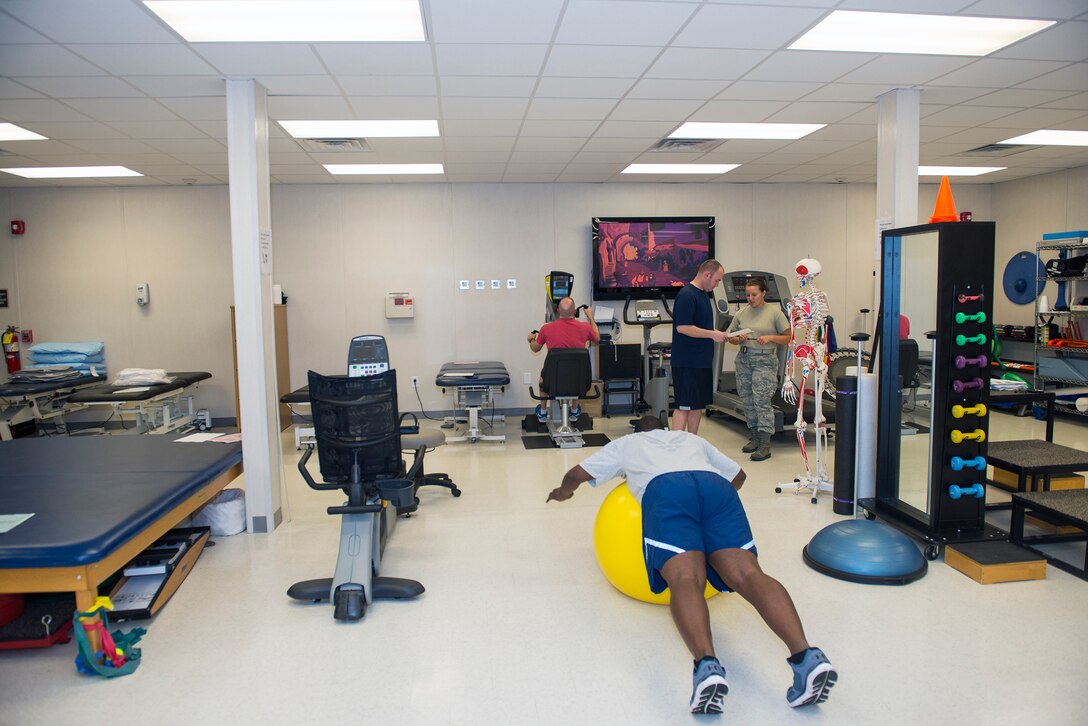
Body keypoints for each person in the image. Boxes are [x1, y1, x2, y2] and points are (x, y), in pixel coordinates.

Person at [546, 416, 837, 715]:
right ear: (665, 429)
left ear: (639, 431)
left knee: (685, 578)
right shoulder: (690, 439)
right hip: (715, 489)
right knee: (748, 574)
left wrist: (563, 492)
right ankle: (806, 657)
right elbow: (738, 475)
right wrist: (708, 513)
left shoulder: (628, 443)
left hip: (667, 492)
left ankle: (707, 667)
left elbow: (577, 473)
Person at [726, 278, 790, 461]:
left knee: (762, 400)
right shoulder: (741, 313)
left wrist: (770, 337)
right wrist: (738, 338)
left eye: (754, 294)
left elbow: (787, 337)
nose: (751, 298)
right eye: (747, 295)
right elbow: (731, 337)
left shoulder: (774, 312)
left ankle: (764, 444)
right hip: (744, 359)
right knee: (747, 399)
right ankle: (754, 437)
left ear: (763, 293)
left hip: (765, 360)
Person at [671, 259, 728, 434]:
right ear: (707, 274)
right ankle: (676, 448)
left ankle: (692, 445)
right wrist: (712, 334)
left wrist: (718, 333)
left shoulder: (703, 294)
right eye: (717, 280)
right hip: (687, 362)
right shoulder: (687, 295)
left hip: (702, 361)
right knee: (684, 406)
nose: (717, 284)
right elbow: (683, 327)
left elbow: (701, 326)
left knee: (697, 406)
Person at [528, 297, 600, 422]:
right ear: (574, 311)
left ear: (557, 310)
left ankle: (543, 412)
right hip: (578, 382)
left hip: (552, 382)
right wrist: (590, 317)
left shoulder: (546, 328)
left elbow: (535, 349)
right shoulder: (585, 327)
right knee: (578, 372)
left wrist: (531, 339)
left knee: (542, 379)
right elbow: (597, 338)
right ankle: (574, 410)